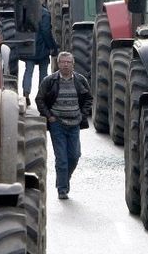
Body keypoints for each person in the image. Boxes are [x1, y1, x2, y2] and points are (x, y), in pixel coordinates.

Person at [35, 51, 92, 199]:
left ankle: (63, 179)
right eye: (62, 62)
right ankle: (62, 189)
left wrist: (82, 115)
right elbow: (39, 99)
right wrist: (49, 116)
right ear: (58, 64)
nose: (65, 65)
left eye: (68, 62)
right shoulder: (50, 81)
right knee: (62, 159)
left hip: (74, 124)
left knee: (74, 156)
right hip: (57, 125)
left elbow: (88, 99)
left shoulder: (81, 81)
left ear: (73, 64)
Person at [22, 0, 58, 106]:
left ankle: (26, 94)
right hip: (42, 47)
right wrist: (52, 47)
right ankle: (41, 96)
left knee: (28, 71)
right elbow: (46, 31)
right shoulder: (45, 13)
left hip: (29, 46)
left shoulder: (25, 12)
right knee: (43, 72)